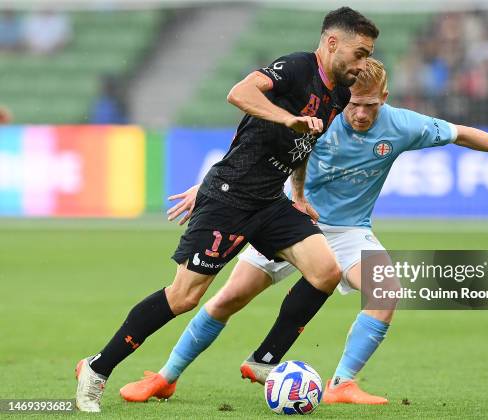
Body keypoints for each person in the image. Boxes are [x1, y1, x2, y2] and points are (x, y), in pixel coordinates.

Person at [118, 58, 488, 405]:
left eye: (372, 104)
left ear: (384, 96)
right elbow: (251, 152)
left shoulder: (403, 125)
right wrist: (207, 188)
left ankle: (342, 383)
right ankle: (165, 377)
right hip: (286, 220)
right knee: (227, 299)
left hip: (348, 231)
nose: (362, 113)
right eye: (355, 104)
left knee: (386, 291)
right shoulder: (320, 115)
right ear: (342, 96)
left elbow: (462, 134)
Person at [74, 7, 379, 412]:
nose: (363, 64)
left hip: (271, 201)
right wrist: (289, 119)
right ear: (332, 43)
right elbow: (239, 93)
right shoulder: (295, 68)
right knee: (183, 297)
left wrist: (299, 193)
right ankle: (97, 368)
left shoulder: (339, 93)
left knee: (325, 271)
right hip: (229, 198)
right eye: (359, 53)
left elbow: (305, 142)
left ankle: (264, 361)